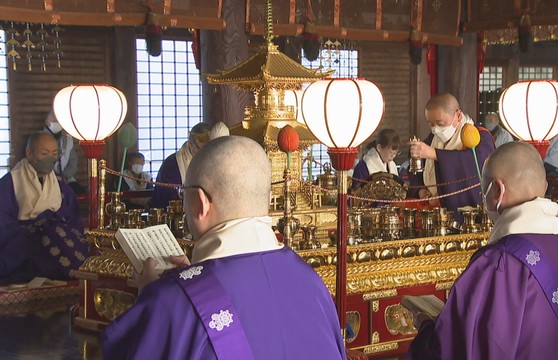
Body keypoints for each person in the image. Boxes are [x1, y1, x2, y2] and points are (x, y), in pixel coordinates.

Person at [101, 136, 346, 359]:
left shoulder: (171, 300)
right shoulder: (310, 280)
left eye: (182, 193)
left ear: (200, 202)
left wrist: (154, 297)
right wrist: (192, 281)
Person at [408, 142, 558, 359]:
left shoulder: (497, 265)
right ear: (544, 188)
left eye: (484, 192)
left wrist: (426, 329)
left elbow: (456, 349)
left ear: (498, 189)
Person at [0, 132, 89, 285]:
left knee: (67, 242)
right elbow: (4, 220)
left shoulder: (59, 183)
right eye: (44, 153)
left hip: (56, 234)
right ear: (29, 153)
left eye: (54, 153)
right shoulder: (10, 183)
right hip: (22, 239)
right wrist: (34, 229)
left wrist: (51, 222)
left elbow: (72, 216)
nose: (51, 158)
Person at [408, 93, 494, 220]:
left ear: (458, 115)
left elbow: (478, 164)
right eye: (431, 124)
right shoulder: (434, 138)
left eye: (440, 123)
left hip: (465, 215)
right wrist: (421, 191)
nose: (435, 129)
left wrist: (435, 154)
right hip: (432, 210)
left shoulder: (478, 136)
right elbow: (417, 169)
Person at [150, 121, 229, 209]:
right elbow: (171, 197)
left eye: (209, 149)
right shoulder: (172, 165)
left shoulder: (211, 158)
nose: (206, 153)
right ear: (191, 145)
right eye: (202, 149)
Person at [44, 111, 85, 194]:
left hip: (67, 180)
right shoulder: (39, 139)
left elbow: (73, 162)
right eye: (54, 121)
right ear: (47, 122)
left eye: (58, 121)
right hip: (47, 180)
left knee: (80, 193)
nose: (57, 123)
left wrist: (65, 176)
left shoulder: (68, 139)